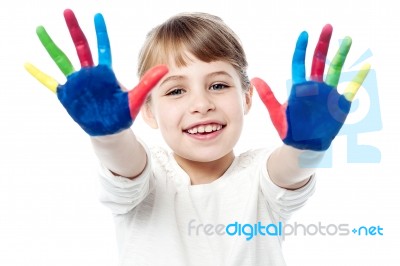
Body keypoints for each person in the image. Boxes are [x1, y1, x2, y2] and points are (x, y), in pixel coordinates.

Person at [25, 8, 370, 266]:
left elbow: (291, 169)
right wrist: (109, 134)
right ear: (147, 110)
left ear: (246, 98)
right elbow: (124, 162)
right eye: (176, 91)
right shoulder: (146, 176)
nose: (201, 104)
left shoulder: (262, 178)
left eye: (218, 85)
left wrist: (303, 146)